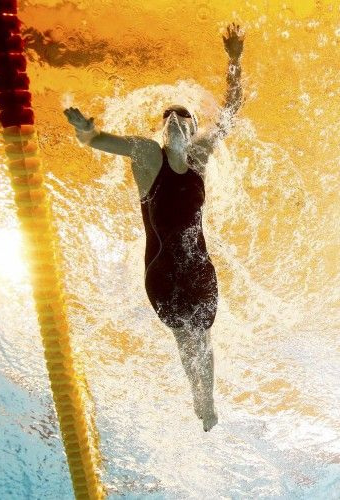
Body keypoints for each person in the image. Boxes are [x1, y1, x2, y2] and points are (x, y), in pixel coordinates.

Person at [64, 23, 244, 431]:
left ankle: (206, 400)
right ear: (161, 129)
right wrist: (84, 129)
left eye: (186, 117)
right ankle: (199, 398)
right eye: (170, 117)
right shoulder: (145, 155)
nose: (177, 120)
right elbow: (98, 141)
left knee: (204, 337)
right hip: (160, 273)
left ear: (193, 128)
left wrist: (235, 60)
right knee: (186, 337)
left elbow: (232, 113)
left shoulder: (200, 156)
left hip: (200, 269)